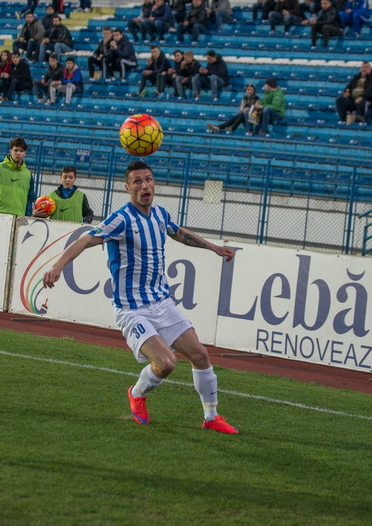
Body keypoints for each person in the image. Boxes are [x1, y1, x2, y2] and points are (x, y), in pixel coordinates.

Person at [42, 160, 238, 434]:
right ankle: (137, 393)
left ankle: (211, 417)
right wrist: (57, 266)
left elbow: (179, 232)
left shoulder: (159, 213)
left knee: (201, 354)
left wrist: (214, 248)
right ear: (127, 187)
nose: (145, 185)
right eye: (137, 181)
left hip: (162, 302)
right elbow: (86, 239)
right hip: (132, 309)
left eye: (148, 179)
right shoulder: (121, 219)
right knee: (166, 363)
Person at [0, 137, 37, 216]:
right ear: (11, 151)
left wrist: (27, 215)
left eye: (21, 151)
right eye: (16, 150)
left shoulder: (28, 174)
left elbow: (30, 199)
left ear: (25, 153)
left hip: (19, 219)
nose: (18, 153)